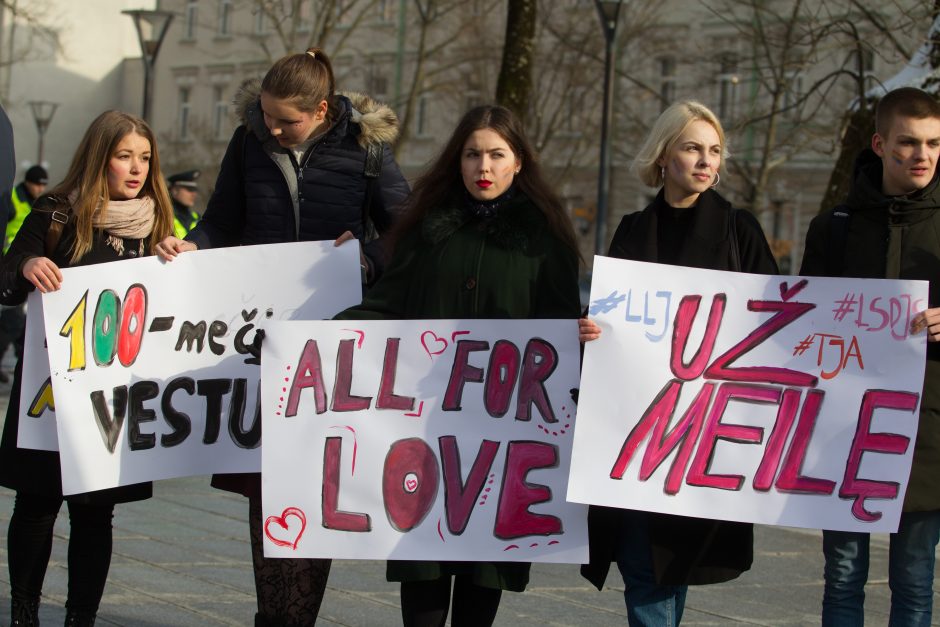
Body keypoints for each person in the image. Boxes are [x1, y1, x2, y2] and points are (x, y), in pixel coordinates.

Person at [156, 47, 409, 627]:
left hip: (334, 345)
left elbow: (405, 230)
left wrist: (367, 258)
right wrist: (193, 243)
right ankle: (272, 616)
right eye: (265, 115)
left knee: (316, 485)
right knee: (266, 485)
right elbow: (222, 218)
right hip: (262, 339)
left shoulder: (366, 149)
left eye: (284, 121)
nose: (270, 127)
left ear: (321, 110)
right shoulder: (250, 142)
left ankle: (297, 617)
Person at [335, 104, 582, 627]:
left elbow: (561, 328)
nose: (483, 166)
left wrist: (586, 338)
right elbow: (386, 304)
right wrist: (308, 338)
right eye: (473, 154)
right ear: (458, 161)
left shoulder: (545, 240)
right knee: (423, 563)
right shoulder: (429, 229)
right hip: (426, 435)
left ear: (519, 163)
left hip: (501, 443)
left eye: (496, 154)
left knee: (482, 569)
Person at [578, 100, 778, 626]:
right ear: (664, 155)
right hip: (640, 428)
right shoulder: (632, 229)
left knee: (671, 569)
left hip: (709, 431)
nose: (705, 160)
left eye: (714, 150)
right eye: (692, 147)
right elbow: (608, 317)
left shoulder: (741, 230)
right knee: (647, 568)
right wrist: (589, 328)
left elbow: (778, 328)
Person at [0, 110, 174, 626]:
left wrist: (178, 255)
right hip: (49, 390)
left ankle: (81, 618)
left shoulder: (156, 220)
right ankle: (25, 613)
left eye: (144, 157)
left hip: (113, 397)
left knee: (96, 513)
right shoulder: (56, 212)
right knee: (37, 504)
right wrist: (29, 265)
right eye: (124, 156)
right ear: (101, 158)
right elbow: (7, 276)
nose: (136, 168)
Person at [800, 86, 940, 627]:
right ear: (880, 144)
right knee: (842, 576)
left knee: (914, 580)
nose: (922, 154)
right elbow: (800, 329)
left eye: (932, 142)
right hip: (843, 430)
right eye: (908, 142)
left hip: (926, 431)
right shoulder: (833, 227)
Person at [0, 165, 48, 383]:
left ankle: (26, 370)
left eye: (44, 185)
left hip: (29, 272)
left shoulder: (38, 203)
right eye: (38, 184)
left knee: (21, 327)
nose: (40, 188)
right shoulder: (13, 200)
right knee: (13, 322)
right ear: (28, 182)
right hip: (10, 268)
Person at [166, 169, 201, 237]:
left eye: (194, 190)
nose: (194, 194)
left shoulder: (197, 218)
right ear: (175, 191)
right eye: (189, 189)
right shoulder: (163, 218)